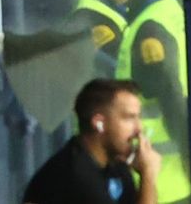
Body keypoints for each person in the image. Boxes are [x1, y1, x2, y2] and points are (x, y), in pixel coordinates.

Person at [114, 0, 190, 204]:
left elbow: (172, 99)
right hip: (176, 179)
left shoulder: (151, 28)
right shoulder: (170, 13)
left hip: (160, 182)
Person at [23, 78, 162, 204]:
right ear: (99, 123)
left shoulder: (115, 165)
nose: (139, 129)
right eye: (129, 118)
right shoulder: (75, 175)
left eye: (138, 118)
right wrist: (148, 175)